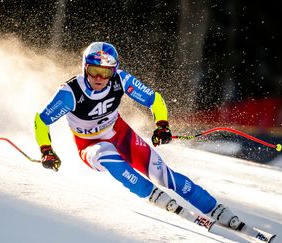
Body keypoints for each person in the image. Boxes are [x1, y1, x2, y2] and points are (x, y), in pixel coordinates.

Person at [33, 42, 242, 230]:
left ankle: (215, 208)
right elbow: (41, 121)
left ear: (113, 72)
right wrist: (46, 151)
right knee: (106, 154)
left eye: (105, 73)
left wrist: (162, 125)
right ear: (84, 67)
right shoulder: (69, 94)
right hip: (89, 145)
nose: (99, 78)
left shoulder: (121, 80)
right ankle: (150, 193)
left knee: (163, 174)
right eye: (94, 70)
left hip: (121, 135)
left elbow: (155, 100)